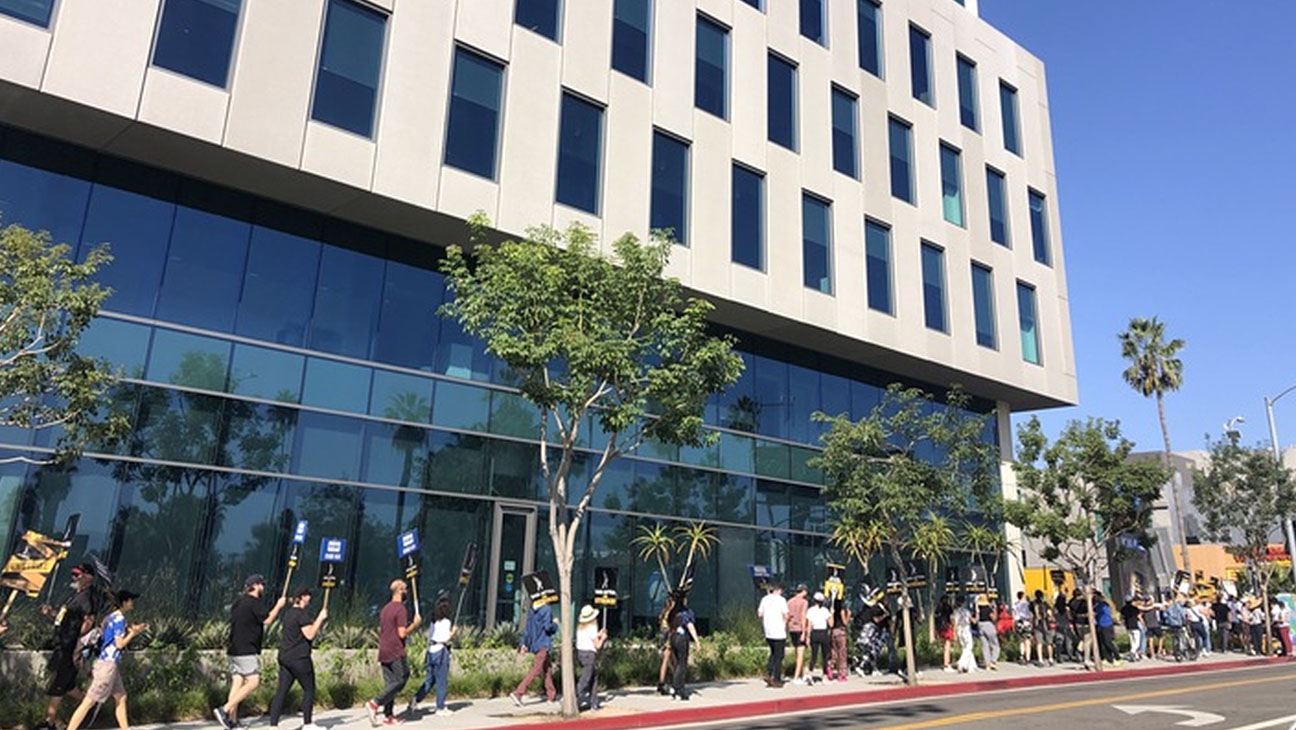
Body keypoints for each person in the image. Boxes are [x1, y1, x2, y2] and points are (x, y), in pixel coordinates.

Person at [65, 590, 146, 730]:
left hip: (106, 663)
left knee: (121, 697)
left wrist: (132, 630)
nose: (132, 603)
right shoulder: (120, 619)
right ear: (125, 602)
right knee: (89, 701)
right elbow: (119, 644)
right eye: (131, 600)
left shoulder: (109, 617)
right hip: (107, 666)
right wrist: (132, 634)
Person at [216, 574, 287, 730]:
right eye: (261, 584)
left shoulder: (238, 603)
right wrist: (279, 606)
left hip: (234, 648)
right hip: (246, 649)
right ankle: (225, 710)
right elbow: (267, 619)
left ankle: (232, 722)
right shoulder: (254, 603)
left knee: (238, 682)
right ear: (255, 586)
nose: (263, 587)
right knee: (254, 681)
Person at [37, 563, 102, 730]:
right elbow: (63, 617)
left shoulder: (87, 597)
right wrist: (51, 613)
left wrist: (75, 638)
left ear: (88, 577)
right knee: (67, 685)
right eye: (73, 574)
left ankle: (49, 723)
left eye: (77, 574)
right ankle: (90, 704)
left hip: (69, 648)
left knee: (57, 685)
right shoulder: (75, 596)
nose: (74, 577)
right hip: (63, 645)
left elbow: (89, 620)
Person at [268, 587, 328, 730]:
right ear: (300, 598)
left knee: (282, 691)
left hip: (285, 656)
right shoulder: (301, 615)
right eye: (307, 595)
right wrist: (320, 618)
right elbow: (310, 634)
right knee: (309, 689)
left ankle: (273, 724)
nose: (309, 598)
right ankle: (308, 724)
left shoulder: (288, 614)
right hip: (299, 658)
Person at [366, 579, 422, 726]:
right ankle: (375, 703)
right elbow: (402, 633)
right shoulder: (400, 609)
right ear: (400, 590)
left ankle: (388, 715)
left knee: (390, 683)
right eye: (405, 589)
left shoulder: (385, 609)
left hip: (384, 650)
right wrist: (414, 625)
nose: (407, 592)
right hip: (396, 649)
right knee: (401, 678)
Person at [410, 595, 456, 716]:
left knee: (430, 679)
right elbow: (446, 638)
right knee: (441, 680)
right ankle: (440, 707)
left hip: (431, 650)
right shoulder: (447, 622)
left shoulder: (433, 622)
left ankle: (416, 698)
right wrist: (453, 633)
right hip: (441, 651)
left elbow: (430, 636)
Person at [510, 596, 557, 706]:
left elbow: (527, 630)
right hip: (543, 643)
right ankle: (519, 692)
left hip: (535, 644)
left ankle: (551, 695)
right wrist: (555, 624)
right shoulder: (546, 609)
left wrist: (523, 644)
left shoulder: (532, 610)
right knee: (537, 669)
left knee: (547, 669)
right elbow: (547, 627)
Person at [574, 605, 607, 711]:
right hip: (589, 654)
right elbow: (597, 645)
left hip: (581, 653)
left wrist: (598, 635)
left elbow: (589, 638)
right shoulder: (592, 627)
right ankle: (574, 696)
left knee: (593, 678)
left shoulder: (580, 628)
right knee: (586, 678)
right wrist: (603, 639)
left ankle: (594, 702)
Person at [757, 583, 789, 687]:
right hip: (779, 631)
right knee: (779, 656)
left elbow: (760, 614)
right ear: (779, 590)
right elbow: (786, 615)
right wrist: (786, 623)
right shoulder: (781, 600)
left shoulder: (764, 599)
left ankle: (769, 672)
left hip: (768, 631)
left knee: (773, 653)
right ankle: (777, 679)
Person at [669, 593, 700, 700]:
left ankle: (674, 686)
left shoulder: (673, 612)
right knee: (682, 664)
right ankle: (679, 688)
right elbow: (690, 626)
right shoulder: (685, 613)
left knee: (677, 663)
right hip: (682, 638)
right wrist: (696, 641)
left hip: (673, 637)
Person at [655, 592, 678, 695]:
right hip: (668, 636)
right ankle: (668, 682)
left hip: (663, 636)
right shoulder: (671, 613)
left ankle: (663, 681)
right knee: (670, 659)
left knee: (669, 660)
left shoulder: (664, 612)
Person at [805, 592, 832, 681]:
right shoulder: (825, 610)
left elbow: (809, 625)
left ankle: (810, 673)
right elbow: (831, 624)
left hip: (815, 633)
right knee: (825, 655)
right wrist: (831, 614)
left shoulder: (810, 610)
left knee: (814, 655)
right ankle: (824, 675)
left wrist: (807, 636)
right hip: (823, 633)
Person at [786, 584, 809, 685]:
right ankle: (796, 677)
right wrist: (805, 632)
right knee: (801, 653)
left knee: (797, 652)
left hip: (792, 629)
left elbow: (788, 616)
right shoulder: (804, 602)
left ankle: (800, 674)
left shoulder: (789, 601)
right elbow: (803, 616)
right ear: (803, 591)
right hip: (800, 628)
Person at [1030, 590, 1056, 666]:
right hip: (1046, 624)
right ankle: (1050, 658)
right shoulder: (1045, 604)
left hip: (1037, 624)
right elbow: (1050, 613)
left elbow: (1031, 614)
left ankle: (1040, 659)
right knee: (1049, 643)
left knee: (1039, 643)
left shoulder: (1032, 604)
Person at [829, 594, 851, 682]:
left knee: (834, 652)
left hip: (833, 631)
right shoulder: (841, 611)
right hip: (841, 631)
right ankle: (842, 674)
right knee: (842, 653)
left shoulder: (832, 611)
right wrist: (848, 615)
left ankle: (830, 667)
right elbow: (844, 622)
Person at [974, 594, 999, 670]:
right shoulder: (988, 608)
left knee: (985, 645)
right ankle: (993, 661)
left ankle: (987, 663)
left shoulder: (978, 608)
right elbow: (994, 618)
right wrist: (995, 610)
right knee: (995, 645)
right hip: (988, 625)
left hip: (980, 625)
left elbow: (976, 619)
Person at [954, 596, 977, 673]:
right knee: (969, 647)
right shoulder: (967, 611)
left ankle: (971, 666)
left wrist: (955, 634)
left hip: (959, 630)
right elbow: (973, 621)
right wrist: (977, 613)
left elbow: (955, 624)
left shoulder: (956, 612)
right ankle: (961, 662)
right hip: (966, 629)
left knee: (965, 648)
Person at [934, 595, 955, 672]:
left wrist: (936, 630)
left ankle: (946, 662)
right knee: (947, 646)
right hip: (947, 627)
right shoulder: (948, 608)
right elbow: (951, 617)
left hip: (940, 628)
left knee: (945, 646)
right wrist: (953, 626)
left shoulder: (938, 608)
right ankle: (946, 663)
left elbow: (936, 619)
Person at [1012, 592, 1033, 665]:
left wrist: (1014, 625)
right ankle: (1028, 658)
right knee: (1027, 641)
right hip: (1026, 622)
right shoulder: (1027, 604)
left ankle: (1022, 655)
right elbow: (1030, 614)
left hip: (1019, 622)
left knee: (1021, 640)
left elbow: (1014, 615)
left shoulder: (1015, 604)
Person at [1120, 595, 1143, 661]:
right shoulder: (1135, 608)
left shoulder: (1123, 609)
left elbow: (1122, 616)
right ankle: (1132, 652)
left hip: (1128, 626)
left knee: (1132, 642)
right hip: (1135, 626)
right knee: (1137, 643)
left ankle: (1135, 657)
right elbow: (1139, 616)